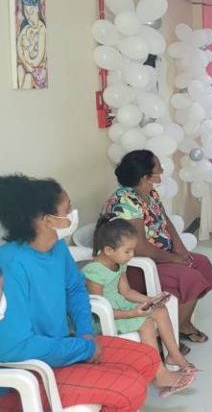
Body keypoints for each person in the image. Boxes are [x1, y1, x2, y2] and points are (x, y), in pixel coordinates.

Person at [0, 174, 159, 412]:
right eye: (68, 210)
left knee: (147, 359)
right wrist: (83, 349)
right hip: (28, 375)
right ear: (47, 221)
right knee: (131, 388)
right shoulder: (10, 265)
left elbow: (75, 288)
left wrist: (86, 333)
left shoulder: (56, 246)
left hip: (62, 347)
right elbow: (16, 347)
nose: (73, 214)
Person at [104, 150, 212, 345]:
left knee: (201, 263)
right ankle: (172, 334)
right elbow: (140, 248)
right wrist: (174, 259)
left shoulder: (150, 193)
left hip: (160, 255)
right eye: (158, 168)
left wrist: (180, 249)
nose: (162, 170)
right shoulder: (125, 202)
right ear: (145, 176)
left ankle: (179, 323)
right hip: (135, 265)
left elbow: (165, 221)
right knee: (189, 277)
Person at [83, 217, 197, 397]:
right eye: (127, 251)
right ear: (108, 250)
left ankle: (173, 354)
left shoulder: (118, 262)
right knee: (145, 323)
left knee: (160, 310)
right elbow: (99, 309)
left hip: (121, 305)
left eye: (132, 250)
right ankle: (159, 375)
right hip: (105, 316)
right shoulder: (94, 272)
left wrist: (150, 299)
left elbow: (126, 291)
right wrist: (132, 313)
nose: (131, 255)